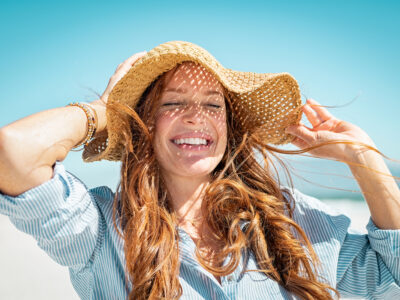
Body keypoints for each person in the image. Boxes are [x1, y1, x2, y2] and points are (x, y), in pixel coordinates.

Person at [0, 40, 399, 300]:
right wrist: (105, 112)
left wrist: (365, 161)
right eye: (173, 103)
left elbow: (390, 273)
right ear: (146, 125)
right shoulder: (102, 230)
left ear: (229, 127)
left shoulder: (287, 222)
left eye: (213, 105)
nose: (196, 117)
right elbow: (14, 153)